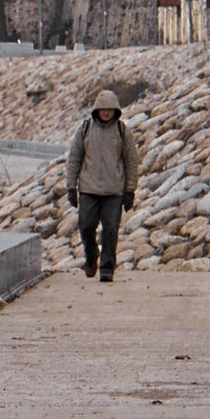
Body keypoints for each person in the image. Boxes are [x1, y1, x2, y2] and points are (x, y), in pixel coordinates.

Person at [64, 88, 142, 282]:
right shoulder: (84, 130)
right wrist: (70, 187)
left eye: (110, 110)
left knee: (110, 229)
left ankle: (107, 268)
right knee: (85, 226)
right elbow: (74, 158)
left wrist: (130, 190)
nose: (106, 113)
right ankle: (91, 257)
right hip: (88, 189)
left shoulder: (122, 132)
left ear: (115, 111)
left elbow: (131, 161)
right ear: (97, 110)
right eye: (103, 109)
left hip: (114, 190)